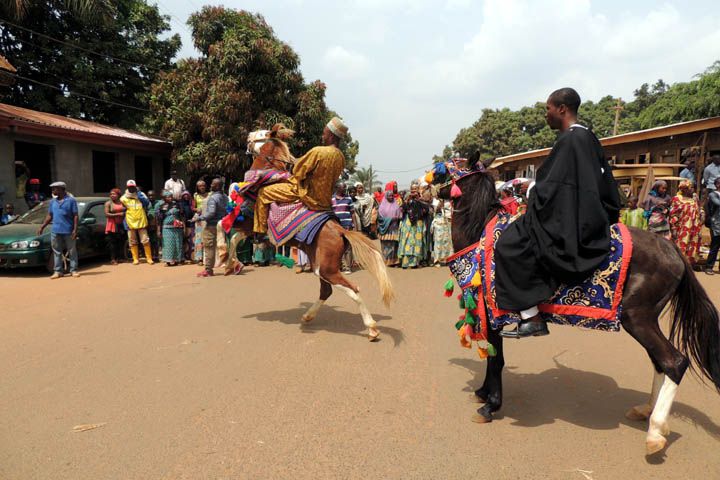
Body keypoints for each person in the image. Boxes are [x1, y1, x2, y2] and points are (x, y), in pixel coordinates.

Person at [494, 88, 621, 338]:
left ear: (561, 109)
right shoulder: (586, 137)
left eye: (547, 109)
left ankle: (532, 317)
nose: (546, 115)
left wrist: (532, 189)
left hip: (575, 219)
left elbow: (558, 189)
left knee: (508, 244)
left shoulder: (570, 140)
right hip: (588, 213)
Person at [253, 117, 348, 236]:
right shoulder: (341, 158)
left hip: (306, 195)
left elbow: (297, 171)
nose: (322, 137)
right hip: (325, 202)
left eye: (324, 134)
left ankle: (260, 234)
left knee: (263, 193)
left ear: (332, 136)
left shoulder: (318, 151)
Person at [37, 181, 80, 279]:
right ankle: (58, 271)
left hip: (68, 230)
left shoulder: (71, 200)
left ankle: (73, 270)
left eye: (55, 188)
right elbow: (50, 215)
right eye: (52, 189)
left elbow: (75, 216)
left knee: (72, 251)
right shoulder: (52, 202)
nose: (53, 190)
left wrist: (75, 229)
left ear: (62, 189)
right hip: (55, 230)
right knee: (57, 251)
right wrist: (42, 226)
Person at [197, 178, 228, 277]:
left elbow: (211, 213)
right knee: (224, 246)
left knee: (209, 247)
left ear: (218, 186)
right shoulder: (225, 197)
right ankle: (231, 266)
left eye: (213, 184)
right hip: (222, 224)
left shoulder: (213, 198)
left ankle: (208, 270)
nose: (210, 185)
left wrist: (200, 218)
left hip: (211, 225)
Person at [669, 180, 703, 264]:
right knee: (681, 244)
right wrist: (674, 227)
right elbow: (673, 214)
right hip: (682, 228)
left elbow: (699, 210)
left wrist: (702, 216)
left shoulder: (694, 199)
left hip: (694, 227)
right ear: (684, 189)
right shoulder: (677, 199)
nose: (692, 189)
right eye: (690, 188)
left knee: (691, 245)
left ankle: (688, 264)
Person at [121, 180, 154, 265]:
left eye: (133, 186)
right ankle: (135, 259)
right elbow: (123, 210)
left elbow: (147, 203)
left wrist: (139, 195)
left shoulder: (141, 194)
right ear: (127, 187)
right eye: (130, 187)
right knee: (132, 241)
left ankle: (149, 258)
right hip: (130, 222)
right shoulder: (123, 198)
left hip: (141, 221)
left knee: (145, 240)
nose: (132, 188)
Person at [398, 183, 429, 269]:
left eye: (416, 189)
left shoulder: (421, 199)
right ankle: (405, 263)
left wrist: (418, 200)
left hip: (418, 223)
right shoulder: (407, 199)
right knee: (407, 241)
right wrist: (408, 200)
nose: (414, 191)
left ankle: (414, 263)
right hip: (408, 224)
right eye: (413, 189)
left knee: (416, 243)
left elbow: (427, 210)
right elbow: (402, 209)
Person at [332, 182, 355, 274]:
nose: (345, 189)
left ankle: (347, 267)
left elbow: (352, 213)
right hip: (335, 227)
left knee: (347, 247)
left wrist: (354, 225)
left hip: (347, 226)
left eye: (345, 187)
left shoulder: (348, 199)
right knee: (337, 247)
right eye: (343, 187)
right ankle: (339, 265)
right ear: (337, 188)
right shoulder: (331, 199)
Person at [157, 191, 184, 266]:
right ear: (164, 198)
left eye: (171, 196)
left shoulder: (177, 204)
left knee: (177, 243)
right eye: (168, 197)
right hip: (166, 228)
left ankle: (178, 260)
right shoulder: (161, 206)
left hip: (177, 227)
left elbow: (182, 215)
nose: (170, 198)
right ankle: (168, 261)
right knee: (167, 244)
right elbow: (159, 219)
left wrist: (183, 226)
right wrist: (159, 230)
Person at [378, 186, 403, 266]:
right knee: (387, 245)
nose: (391, 197)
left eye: (392, 195)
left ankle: (395, 261)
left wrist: (398, 218)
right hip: (386, 229)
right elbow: (379, 218)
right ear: (386, 196)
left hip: (394, 228)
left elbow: (400, 215)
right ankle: (387, 261)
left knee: (394, 245)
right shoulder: (381, 207)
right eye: (389, 195)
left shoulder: (396, 204)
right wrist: (389, 220)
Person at [104, 188, 126, 265]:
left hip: (120, 224)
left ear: (118, 195)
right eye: (111, 194)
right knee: (112, 243)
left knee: (120, 242)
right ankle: (113, 259)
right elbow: (106, 214)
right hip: (112, 225)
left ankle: (120, 258)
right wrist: (118, 214)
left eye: (114, 194)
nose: (112, 195)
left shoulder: (122, 202)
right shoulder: (108, 203)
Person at [703, 178, 720, 275]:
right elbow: (717, 203)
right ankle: (709, 267)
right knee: (715, 246)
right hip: (716, 224)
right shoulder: (713, 195)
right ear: (717, 184)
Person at [431, 198, 453, 266]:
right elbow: (434, 211)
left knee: (447, 242)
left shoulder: (448, 200)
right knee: (438, 241)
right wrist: (440, 204)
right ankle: (437, 260)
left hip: (447, 222)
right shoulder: (436, 200)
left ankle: (447, 259)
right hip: (438, 222)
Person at [193, 180, 209, 264]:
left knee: (207, 237)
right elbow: (193, 207)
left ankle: (207, 257)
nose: (202, 187)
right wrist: (197, 209)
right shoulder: (195, 195)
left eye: (203, 185)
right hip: (199, 218)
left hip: (208, 218)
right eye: (200, 186)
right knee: (199, 238)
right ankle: (199, 258)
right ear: (197, 187)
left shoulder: (210, 195)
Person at [178, 191, 195, 261]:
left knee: (191, 240)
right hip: (184, 224)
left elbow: (194, 211)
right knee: (185, 240)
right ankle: (184, 255)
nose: (186, 197)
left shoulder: (192, 203)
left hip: (192, 223)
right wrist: (183, 224)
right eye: (184, 195)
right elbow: (181, 215)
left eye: (187, 195)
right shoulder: (181, 204)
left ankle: (190, 255)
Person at [145, 190, 160, 262]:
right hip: (148, 225)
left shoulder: (159, 203)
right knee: (149, 241)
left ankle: (156, 256)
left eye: (152, 195)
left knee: (156, 241)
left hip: (157, 225)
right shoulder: (146, 204)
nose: (151, 197)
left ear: (155, 195)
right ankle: (150, 256)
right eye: (149, 195)